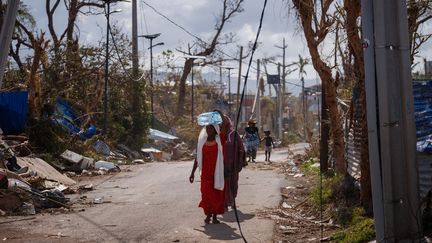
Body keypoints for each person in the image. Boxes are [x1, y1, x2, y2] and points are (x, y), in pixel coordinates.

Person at [189, 124, 225, 224]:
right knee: (206, 194)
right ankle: (208, 214)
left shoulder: (219, 142)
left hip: (216, 172)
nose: (208, 130)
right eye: (207, 128)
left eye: (211, 128)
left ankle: (214, 216)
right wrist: (192, 173)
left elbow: (222, 158)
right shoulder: (201, 143)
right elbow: (197, 159)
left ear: (215, 130)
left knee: (215, 194)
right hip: (205, 173)